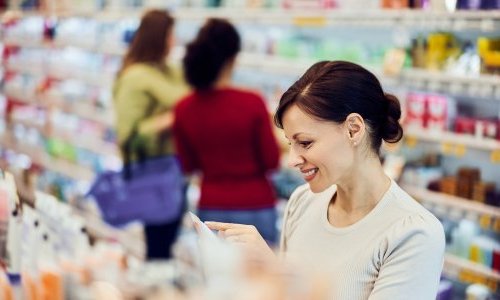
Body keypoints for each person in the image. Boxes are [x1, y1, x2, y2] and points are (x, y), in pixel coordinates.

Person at [206, 61, 445, 299]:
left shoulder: (414, 233)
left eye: (306, 143)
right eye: (291, 143)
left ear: (353, 129)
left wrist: (277, 275)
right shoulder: (303, 201)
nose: (292, 160)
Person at [173, 19, 281, 243]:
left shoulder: (184, 108)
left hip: (212, 205)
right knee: (262, 278)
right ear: (233, 58)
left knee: (217, 275)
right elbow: (271, 161)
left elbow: (188, 165)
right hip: (256, 204)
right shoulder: (252, 102)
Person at [113, 9, 189, 259]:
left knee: (169, 237)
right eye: (170, 35)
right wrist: (167, 121)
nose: (173, 41)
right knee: (158, 243)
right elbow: (128, 136)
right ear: (159, 37)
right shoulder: (134, 77)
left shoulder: (170, 70)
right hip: (152, 172)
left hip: (175, 169)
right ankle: (154, 292)